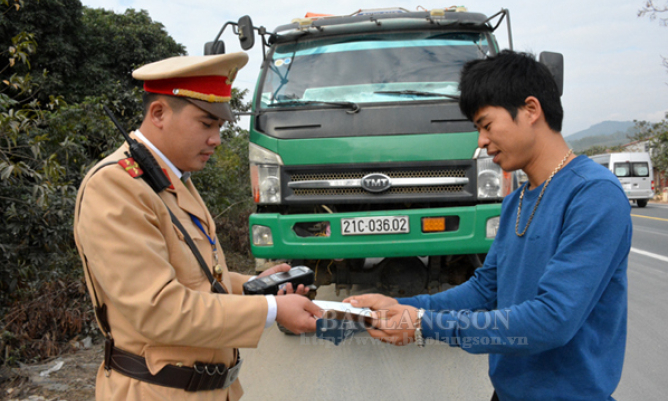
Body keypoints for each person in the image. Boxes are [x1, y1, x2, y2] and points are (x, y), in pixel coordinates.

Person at [345, 50, 632, 401]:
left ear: (530, 110)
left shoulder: (593, 194)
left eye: (485, 125)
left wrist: (423, 323)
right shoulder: (517, 199)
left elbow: (553, 320)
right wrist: (402, 306)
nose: (480, 141)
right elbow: (485, 290)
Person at [74, 52, 322, 401]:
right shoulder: (116, 187)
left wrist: (255, 285)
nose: (217, 139)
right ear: (158, 113)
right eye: (206, 124)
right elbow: (158, 309)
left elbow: (202, 277)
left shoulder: (172, 179)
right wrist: (272, 310)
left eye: (219, 127)